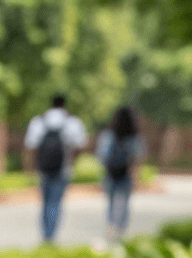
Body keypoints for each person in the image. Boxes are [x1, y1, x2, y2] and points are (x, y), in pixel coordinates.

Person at [23, 94, 86, 243]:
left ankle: (45, 233)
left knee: (45, 202)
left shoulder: (39, 122)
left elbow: (30, 147)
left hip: (43, 169)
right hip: (62, 169)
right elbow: (81, 145)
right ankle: (51, 235)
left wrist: (30, 168)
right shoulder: (72, 122)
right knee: (55, 202)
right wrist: (72, 161)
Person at [96, 105, 145, 241]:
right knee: (125, 205)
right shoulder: (134, 137)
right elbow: (138, 157)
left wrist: (107, 169)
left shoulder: (108, 135)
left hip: (110, 174)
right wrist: (135, 176)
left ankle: (111, 229)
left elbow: (101, 156)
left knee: (111, 204)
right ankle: (121, 231)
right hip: (126, 176)